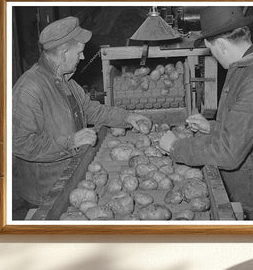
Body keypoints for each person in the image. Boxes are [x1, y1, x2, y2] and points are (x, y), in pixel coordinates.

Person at [12, 16, 151, 217]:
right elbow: (20, 143)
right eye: (79, 52)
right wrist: (70, 142)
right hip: (45, 190)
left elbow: (91, 110)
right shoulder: (30, 89)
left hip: (71, 175)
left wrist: (128, 117)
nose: (83, 57)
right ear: (64, 53)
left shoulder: (65, 81)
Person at [159, 6, 253, 220]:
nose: (213, 56)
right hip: (246, 185)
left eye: (211, 50)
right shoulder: (247, 68)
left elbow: (228, 153)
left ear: (221, 45)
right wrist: (211, 127)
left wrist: (176, 146)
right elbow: (246, 128)